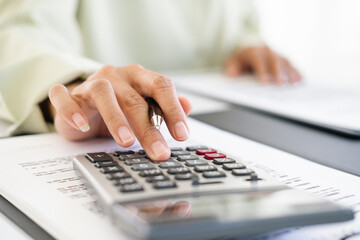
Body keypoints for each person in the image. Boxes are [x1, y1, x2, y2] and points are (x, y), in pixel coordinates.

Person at [0, 0, 301, 160]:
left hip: (235, 110)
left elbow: (240, 15)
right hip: (111, 120)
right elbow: (24, 27)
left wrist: (245, 42)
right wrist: (76, 86)